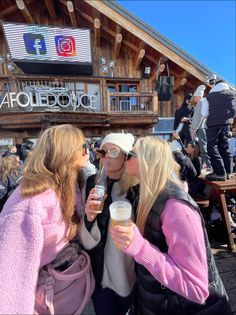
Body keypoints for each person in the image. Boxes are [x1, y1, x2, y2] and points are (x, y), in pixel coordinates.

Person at [110, 136, 232, 315]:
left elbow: (196, 289)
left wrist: (139, 248)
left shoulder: (176, 209)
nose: (124, 158)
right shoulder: (145, 194)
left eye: (130, 154)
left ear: (146, 160)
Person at [0, 124, 90, 314]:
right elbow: (11, 275)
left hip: (65, 287)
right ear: (66, 151)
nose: (88, 151)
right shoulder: (30, 202)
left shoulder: (71, 184)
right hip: (42, 298)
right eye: (83, 146)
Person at [78, 132, 138, 315]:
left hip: (125, 270)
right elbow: (82, 225)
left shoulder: (135, 187)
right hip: (97, 271)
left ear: (126, 156)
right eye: (103, 152)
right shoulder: (91, 183)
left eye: (113, 151)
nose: (106, 157)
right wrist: (88, 217)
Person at [201, 79, 236, 180]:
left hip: (213, 125)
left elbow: (204, 113)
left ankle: (220, 173)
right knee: (225, 147)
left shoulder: (208, 97)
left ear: (215, 86)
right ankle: (229, 172)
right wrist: (228, 118)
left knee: (212, 148)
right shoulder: (232, 94)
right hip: (226, 125)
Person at [190, 85, 212, 171]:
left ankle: (209, 165)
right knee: (201, 148)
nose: (194, 98)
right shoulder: (202, 103)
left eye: (194, 96)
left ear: (198, 96)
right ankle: (206, 165)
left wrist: (194, 128)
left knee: (203, 148)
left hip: (200, 128)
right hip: (200, 128)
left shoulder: (201, 103)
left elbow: (199, 117)